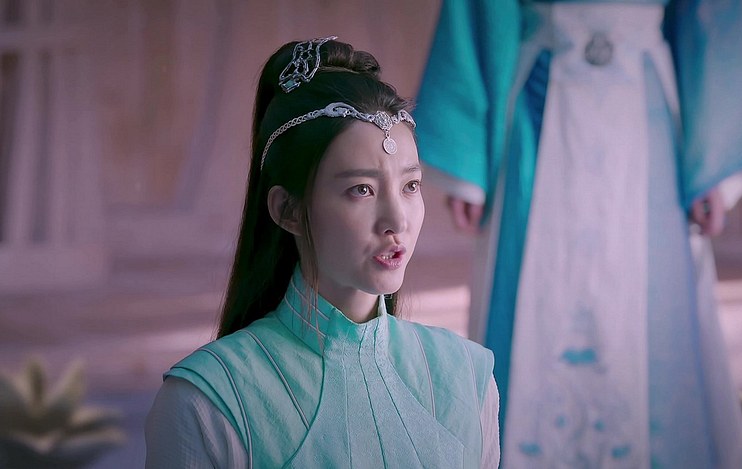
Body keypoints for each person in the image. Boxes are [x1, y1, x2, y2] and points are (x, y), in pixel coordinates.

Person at [415, 1, 742, 468]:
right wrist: (469, 162)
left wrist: (715, 164)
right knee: (531, 295)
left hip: (647, 110)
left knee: (653, 309)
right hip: (536, 109)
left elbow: (717, 14)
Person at [145, 36, 500, 468]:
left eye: (411, 186)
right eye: (361, 189)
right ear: (288, 209)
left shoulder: (467, 376)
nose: (397, 220)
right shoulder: (208, 401)